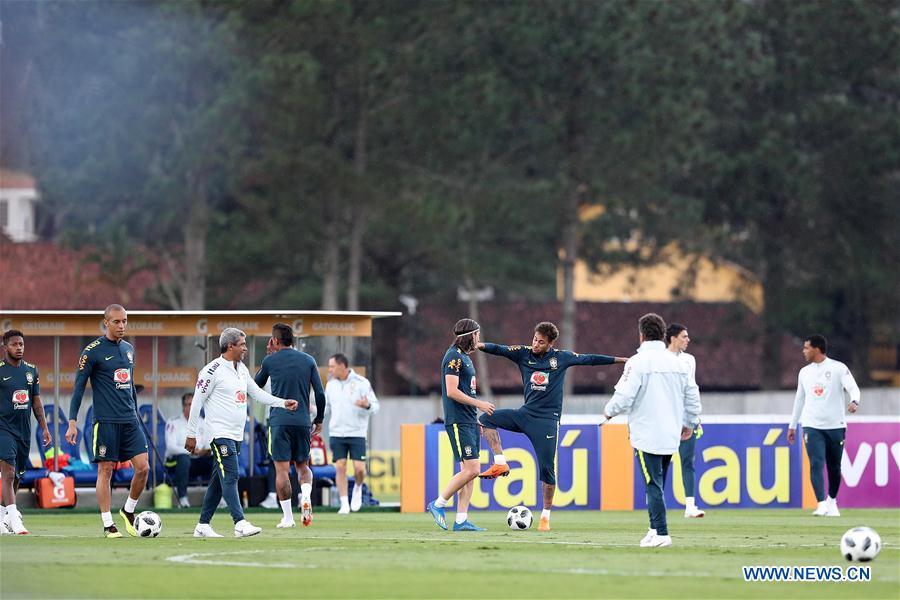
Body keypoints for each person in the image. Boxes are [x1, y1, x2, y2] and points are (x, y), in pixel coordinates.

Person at [476, 321, 627, 531]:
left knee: (547, 470)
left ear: (550, 343)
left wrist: (623, 361)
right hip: (525, 415)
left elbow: (590, 359)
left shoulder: (561, 358)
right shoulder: (523, 353)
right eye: (535, 339)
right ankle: (500, 462)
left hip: (547, 422)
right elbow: (500, 349)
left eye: (541, 342)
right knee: (485, 419)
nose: (536, 344)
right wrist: (479, 344)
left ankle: (545, 517)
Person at [186, 328, 299, 538]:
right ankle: (239, 522)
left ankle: (202, 525)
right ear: (230, 346)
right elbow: (197, 403)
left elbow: (256, 393)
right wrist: (191, 434)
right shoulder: (211, 371)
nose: (246, 348)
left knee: (218, 480)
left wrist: (283, 403)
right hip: (219, 433)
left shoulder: (241, 369)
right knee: (231, 475)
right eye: (242, 344)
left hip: (237, 434)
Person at [604, 313, 701, 548]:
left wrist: (609, 411)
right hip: (670, 435)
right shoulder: (679, 363)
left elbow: (625, 395)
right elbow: (692, 396)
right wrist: (690, 422)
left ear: (641, 335)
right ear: (663, 334)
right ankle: (653, 528)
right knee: (658, 483)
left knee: (653, 484)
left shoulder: (637, 362)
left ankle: (662, 534)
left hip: (647, 435)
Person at [66, 304, 151, 538]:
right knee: (106, 470)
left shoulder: (129, 349)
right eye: (116, 321)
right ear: (106, 323)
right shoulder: (92, 351)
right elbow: (78, 388)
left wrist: (136, 412)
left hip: (130, 420)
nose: (122, 325)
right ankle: (107, 524)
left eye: (124, 321)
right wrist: (72, 422)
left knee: (143, 468)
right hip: (105, 421)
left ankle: (128, 510)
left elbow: (131, 385)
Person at [254, 323, 325, 528]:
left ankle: (288, 517)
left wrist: (267, 358)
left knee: (282, 471)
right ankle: (306, 496)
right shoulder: (308, 360)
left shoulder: (270, 360)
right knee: (303, 466)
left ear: (275, 341)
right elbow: (320, 394)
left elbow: (256, 386)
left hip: (279, 422)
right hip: (302, 421)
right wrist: (318, 419)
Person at [426, 319, 495, 532]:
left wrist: (475, 417)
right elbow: (452, 391)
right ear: (470, 335)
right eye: (477, 335)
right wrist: (480, 404)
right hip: (458, 421)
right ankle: (438, 504)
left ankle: (461, 519)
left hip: (468, 420)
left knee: (470, 471)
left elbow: (467, 390)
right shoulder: (454, 356)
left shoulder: (464, 357)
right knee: (473, 469)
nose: (479, 339)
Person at [788, 334, 860, 517]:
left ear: (817, 349)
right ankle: (820, 503)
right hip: (812, 425)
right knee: (816, 463)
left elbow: (853, 387)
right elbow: (799, 399)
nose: (803, 351)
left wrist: (855, 401)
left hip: (835, 425)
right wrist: (793, 425)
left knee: (834, 467)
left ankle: (832, 500)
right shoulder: (804, 372)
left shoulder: (838, 368)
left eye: (806, 348)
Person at [0, 330, 51, 535]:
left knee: (18, 475)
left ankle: (2, 517)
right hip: (3, 429)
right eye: (14, 344)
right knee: (8, 473)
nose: (19, 347)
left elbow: (36, 402)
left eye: (21, 344)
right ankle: (15, 519)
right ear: (5, 347)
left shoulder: (31, 371)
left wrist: (45, 427)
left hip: (24, 431)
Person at [325, 352, 380, 515]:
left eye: (332, 366)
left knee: (359, 470)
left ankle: (357, 487)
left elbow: (376, 407)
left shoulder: (362, 383)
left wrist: (367, 405)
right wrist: (313, 411)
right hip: (336, 432)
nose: (329, 370)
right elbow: (327, 408)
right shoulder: (330, 385)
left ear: (342, 366)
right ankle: (344, 503)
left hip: (357, 433)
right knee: (340, 467)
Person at [665, 323, 705, 518]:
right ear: (673, 338)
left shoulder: (690, 360)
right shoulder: (661, 359)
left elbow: (692, 390)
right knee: (661, 461)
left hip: (685, 419)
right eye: (684, 336)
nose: (688, 340)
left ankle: (690, 505)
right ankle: (656, 501)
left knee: (688, 460)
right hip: (664, 417)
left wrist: (694, 417)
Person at [164, 393, 213, 508]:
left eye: (194, 404)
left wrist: (205, 451)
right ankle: (183, 498)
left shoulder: (203, 422)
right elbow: (171, 447)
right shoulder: (173, 422)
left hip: (198, 460)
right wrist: (190, 451)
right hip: (176, 462)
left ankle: (218, 498)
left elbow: (208, 443)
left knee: (217, 460)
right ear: (183, 406)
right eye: (189, 404)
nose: (192, 407)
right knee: (184, 459)